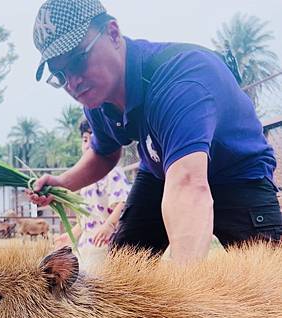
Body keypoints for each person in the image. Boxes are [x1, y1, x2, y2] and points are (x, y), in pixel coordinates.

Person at [28, 0, 282, 264]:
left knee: (272, 284)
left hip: (237, 174)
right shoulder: (98, 98)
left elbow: (188, 185)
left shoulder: (179, 81)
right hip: (162, 170)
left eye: (78, 61)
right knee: (125, 265)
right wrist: (64, 182)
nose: (73, 82)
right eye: (60, 74)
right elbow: (104, 153)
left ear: (113, 34)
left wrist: (181, 295)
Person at [54, 119, 130, 266]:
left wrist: (109, 226)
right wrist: (71, 236)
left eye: (94, 138)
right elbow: (86, 220)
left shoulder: (113, 173)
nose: (88, 144)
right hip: (85, 247)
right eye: (85, 140)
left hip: (104, 245)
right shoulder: (87, 179)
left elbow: (123, 202)